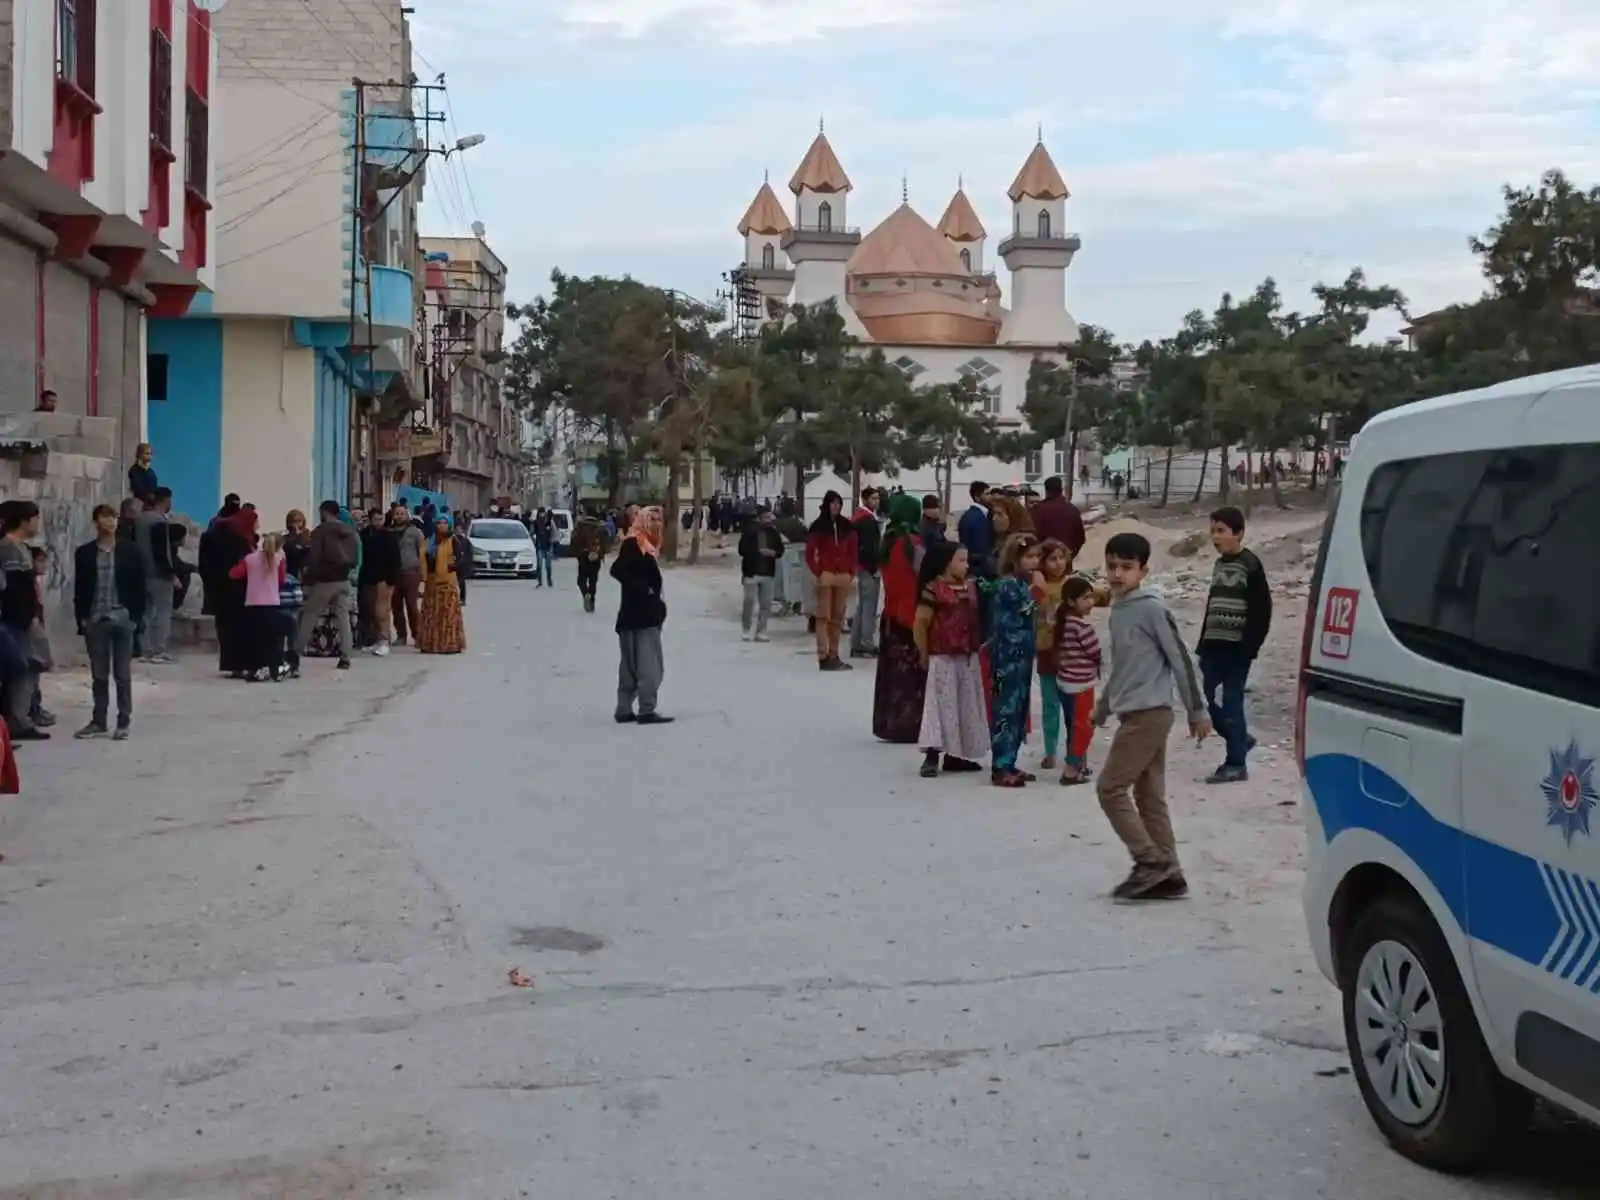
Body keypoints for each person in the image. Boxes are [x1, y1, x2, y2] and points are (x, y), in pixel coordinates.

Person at [1092, 531, 1210, 902]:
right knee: (1148, 795)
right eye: (1112, 566)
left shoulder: (1152, 608)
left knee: (1109, 788)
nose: (1117, 574)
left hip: (1150, 713)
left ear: (1143, 570)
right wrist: (1104, 704)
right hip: (1133, 712)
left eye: (1126, 567)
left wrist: (1197, 708)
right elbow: (1124, 667)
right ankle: (1170, 873)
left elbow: (1182, 659)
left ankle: (1149, 861)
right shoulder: (1120, 608)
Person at [1197, 505, 1272, 784]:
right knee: (1205, 698)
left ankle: (1236, 763)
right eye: (1213, 531)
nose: (1215, 537)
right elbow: (1213, 605)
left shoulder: (1249, 564)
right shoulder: (1220, 565)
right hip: (1213, 646)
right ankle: (1239, 739)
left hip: (1236, 649)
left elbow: (1262, 610)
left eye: (1221, 531)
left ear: (1238, 533)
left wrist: (1248, 648)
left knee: (1231, 703)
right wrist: (1203, 641)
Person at [912, 542, 986, 777]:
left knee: (964, 704)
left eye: (966, 561)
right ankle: (932, 755)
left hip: (967, 656)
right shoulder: (933, 589)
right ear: (946, 563)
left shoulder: (973, 587)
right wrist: (924, 654)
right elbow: (921, 624)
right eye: (961, 560)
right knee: (939, 705)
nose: (966, 565)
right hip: (942, 656)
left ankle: (955, 756)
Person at [73, 504, 145, 739]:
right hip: (95, 617)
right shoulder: (84, 553)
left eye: (114, 517)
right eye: (106, 518)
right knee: (99, 674)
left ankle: (123, 720)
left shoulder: (130, 551)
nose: (112, 522)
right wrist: (81, 618)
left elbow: (139, 586)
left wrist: (135, 617)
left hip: (122, 617)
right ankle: (99, 720)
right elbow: (80, 588)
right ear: (96, 523)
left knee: (122, 674)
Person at [984, 534, 1043, 788]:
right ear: (1015, 559)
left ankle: (1011, 761)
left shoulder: (1020, 583)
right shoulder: (1008, 584)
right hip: (1008, 657)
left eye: (1036, 556)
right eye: (1029, 557)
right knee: (1007, 710)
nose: (1034, 562)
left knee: (1019, 709)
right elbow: (1023, 612)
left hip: (1022, 658)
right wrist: (1038, 591)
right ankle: (1000, 766)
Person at [871, 493, 926, 744]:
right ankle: (909, 725)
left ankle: (888, 723)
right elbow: (923, 576)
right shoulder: (913, 543)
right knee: (911, 675)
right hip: (911, 615)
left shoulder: (888, 540)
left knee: (891, 673)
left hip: (891, 614)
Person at [611, 506, 670, 724]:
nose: (656, 523)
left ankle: (624, 709)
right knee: (649, 667)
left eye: (659, 519)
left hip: (635, 616)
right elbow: (617, 570)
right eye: (651, 519)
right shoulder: (635, 543)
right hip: (641, 617)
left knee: (631, 667)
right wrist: (645, 590)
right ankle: (646, 710)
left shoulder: (646, 545)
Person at [1053, 575, 1103, 785]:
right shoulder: (1081, 627)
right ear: (1072, 601)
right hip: (1081, 684)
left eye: (1091, 597)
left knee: (1073, 726)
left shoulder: (1062, 624)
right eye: (1085, 598)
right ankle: (1072, 770)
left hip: (1065, 682)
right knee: (1084, 727)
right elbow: (1096, 652)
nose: (1090, 602)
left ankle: (1078, 764)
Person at [0, 502, 43, 739]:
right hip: (16, 621)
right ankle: (16, 722)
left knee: (30, 667)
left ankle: (22, 717)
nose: (37, 524)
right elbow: (15, 588)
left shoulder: (21, 547)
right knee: (19, 669)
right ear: (25, 521)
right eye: (35, 519)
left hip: (25, 618)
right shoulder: (8, 548)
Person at [298, 501, 358, 670]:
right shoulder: (349, 531)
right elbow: (355, 555)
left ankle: (296, 652)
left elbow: (314, 557)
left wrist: (309, 576)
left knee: (309, 615)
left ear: (324, 512)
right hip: (344, 579)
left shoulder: (321, 531)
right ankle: (346, 655)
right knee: (343, 617)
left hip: (324, 581)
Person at [805, 490, 857, 671]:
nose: (836, 506)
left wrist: (851, 571)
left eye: (839, 503)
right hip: (826, 574)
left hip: (843, 575)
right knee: (823, 616)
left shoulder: (846, 526)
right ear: (826, 504)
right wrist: (818, 572)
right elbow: (810, 553)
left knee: (837, 617)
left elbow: (853, 550)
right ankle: (823, 654)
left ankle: (834, 654)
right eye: (833, 503)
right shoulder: (818, 526)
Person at [1032, 539, 1072, 770]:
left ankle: (1075, 752)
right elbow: (1045, 613)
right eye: (1052, 559)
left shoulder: (1072, 584)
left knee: (1071, 705)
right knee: (1050, 705)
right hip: (1046, 650)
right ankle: (1050, 751)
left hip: (1070, 652)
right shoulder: (1036, 587)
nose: (1058, 563)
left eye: (1061, 558)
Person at [229, 531, 289, 680]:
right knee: (272, 639)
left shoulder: (250, 559)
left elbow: (234, 573)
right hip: (271, 602)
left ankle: (256, 668)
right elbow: (281, 580)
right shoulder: (279, 559)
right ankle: (275, 668)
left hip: (252, 602)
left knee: (255, 638)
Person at [134, 487, 176, 662]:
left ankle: (146, 649)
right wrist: (171, 573)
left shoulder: (139, 519)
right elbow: (160, 551)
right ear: (165, 500)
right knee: (163, 613)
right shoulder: (159, 521)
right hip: (159, 574)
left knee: (145, 612)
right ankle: (160, 650)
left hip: (141, 572)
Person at [417, 516, 466, 654]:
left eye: (445, 523)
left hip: (447, 582)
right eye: (439, 522)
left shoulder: (454, 541)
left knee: (447, 614)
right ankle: (430, 643)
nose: (441, 525)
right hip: (431, 582)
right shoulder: (429, 541)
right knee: (432, 614)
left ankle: (449, 644)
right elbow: (423, 558)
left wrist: (450, 568)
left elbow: (461, 560)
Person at [737, 503, 782, 641]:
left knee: (766, 604)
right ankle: (746, 628)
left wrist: (773, 553)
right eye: (766, 517)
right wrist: (756, 553)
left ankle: (761, 631)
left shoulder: (774, 533)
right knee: (749, 601)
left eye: (770, 517)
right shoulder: (749, 531)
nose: (769, 520)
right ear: (760, 518)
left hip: (768, 572)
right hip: (751, 571)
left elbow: (780, 550)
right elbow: (741, 550)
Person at [358, 508, 399, 657]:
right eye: (376, 519)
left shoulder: (389, 536)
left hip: (385, 578)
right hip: (368, 577)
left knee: (382, 611)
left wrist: (392, 578)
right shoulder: (364, 535)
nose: (379, 522)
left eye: (381, 519)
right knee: (370, 610)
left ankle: (384, 640)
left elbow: (396, 559)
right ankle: (376, 639)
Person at [850, 487, 882, 659]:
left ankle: (857, 643)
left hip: (860, 567)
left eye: (878, 498)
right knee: (869, 607)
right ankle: (867, 643)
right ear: (866, 499)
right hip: (868, 568)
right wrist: (874, 568)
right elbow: (870, 547)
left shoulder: (858, 517)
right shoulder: (868, 520)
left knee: (862, 606)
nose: (877, 501)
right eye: (873, 498)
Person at [388, 503, 424, 646]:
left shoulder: (415, 532)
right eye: (396, 514)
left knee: (412, 606)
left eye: (402, 513)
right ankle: (401, 635)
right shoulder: (389, 532)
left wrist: (422, 572)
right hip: (393, 573)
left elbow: (421, 552)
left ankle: (417, 635)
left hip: (410, 572)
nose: (399, 516)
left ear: (407, 515)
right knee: (396, 606)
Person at [1031, 476, 1086, 562]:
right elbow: (1080, 538)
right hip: (1064, 562)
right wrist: (1068, 556)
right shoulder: (1072, 510)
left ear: (1046, 490)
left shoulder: (1037, 510)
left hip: (1043, 562)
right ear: (1061, 490)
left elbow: (1032, 536)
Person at [571, 510, 609, 612]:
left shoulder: (580, 527)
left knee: (581, 579)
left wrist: (577, 553)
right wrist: (600, 553)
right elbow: (606, 543)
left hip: (583, 556)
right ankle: (591, 600)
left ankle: (586, 593)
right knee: (593, 580)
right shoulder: (601, 528)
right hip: (596, 557)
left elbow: (574, 542)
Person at [957, 481, 993, 568]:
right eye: (987, 494)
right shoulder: (974, 517)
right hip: (979, 569)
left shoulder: (979, 514)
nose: (991, 497)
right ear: (977, 498)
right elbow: (980, 547)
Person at [533, 510, 556, 587]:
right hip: (539, 546)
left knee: (548, 565)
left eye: (543, 513)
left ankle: (549, 579)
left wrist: (552, 540)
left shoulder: (549, 521)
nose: (542, 514)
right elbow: (533, 532)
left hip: (548, 546)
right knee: (539, 565)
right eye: (540, 513)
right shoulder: (536, 522)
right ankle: (540, 581)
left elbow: (553, 532)